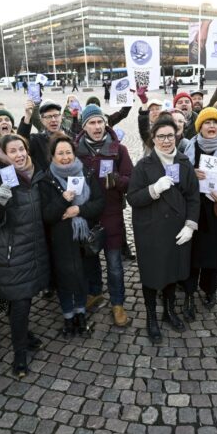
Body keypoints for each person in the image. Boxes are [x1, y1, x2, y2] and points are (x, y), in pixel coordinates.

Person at [0, 134, 49, 377]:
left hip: (33, 248)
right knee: (21, 303)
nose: (18, 155)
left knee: (25, 299)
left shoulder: (35, 173)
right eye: (13, 151)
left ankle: (25, 337)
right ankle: (19, 356)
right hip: (11, 253)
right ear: (3, 154)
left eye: (22, 149)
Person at [127, 116, 200, 343]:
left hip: (176, 230)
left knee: (172, 272)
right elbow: (132, 198)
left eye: (170, 135)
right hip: (151, 231)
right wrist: (154, 189)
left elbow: (193, 197)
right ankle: (151, 318)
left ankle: (169, 312)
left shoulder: (184, 162)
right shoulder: (143, 165)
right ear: (154, 139)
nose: (166, 140)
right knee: (151, 275)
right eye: (161, 136)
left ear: (177, 136)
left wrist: (190, 225)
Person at [41, 134, 106, 336]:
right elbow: (47, 215)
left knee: (82, 278)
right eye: (60, 153)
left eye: (68, 152)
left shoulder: (85, 173)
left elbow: (99, 202)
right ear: (52, 156)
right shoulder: (47, 179)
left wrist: (79, 210)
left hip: (83, 239)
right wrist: (63, 200)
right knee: (65, 280)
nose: (65, 157)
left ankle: (81, 316)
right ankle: (68, 318)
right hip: (61, 241)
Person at [75, 105, 133, 326]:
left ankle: (117, 303)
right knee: (89, 258)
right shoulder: (75, 149)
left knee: (115, 263)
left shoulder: (119, 150)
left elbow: (131, 180)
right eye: (92, 122)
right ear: (85, 126)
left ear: (105, 124)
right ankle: (95, 292)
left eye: (100, 122)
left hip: (111, 214)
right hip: (87, 214)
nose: (97, 126)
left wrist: (117, 180)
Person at [182, 108, 217, 317]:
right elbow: (177, 181)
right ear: (200, 127)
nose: (212, 126)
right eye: (207, 123)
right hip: (193, 211)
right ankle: (188, 292)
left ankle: (209, 290)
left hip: (215, 213)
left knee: (212, 254)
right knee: (191, 254)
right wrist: (190, 174)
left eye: (216, 123)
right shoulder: (188, 149)